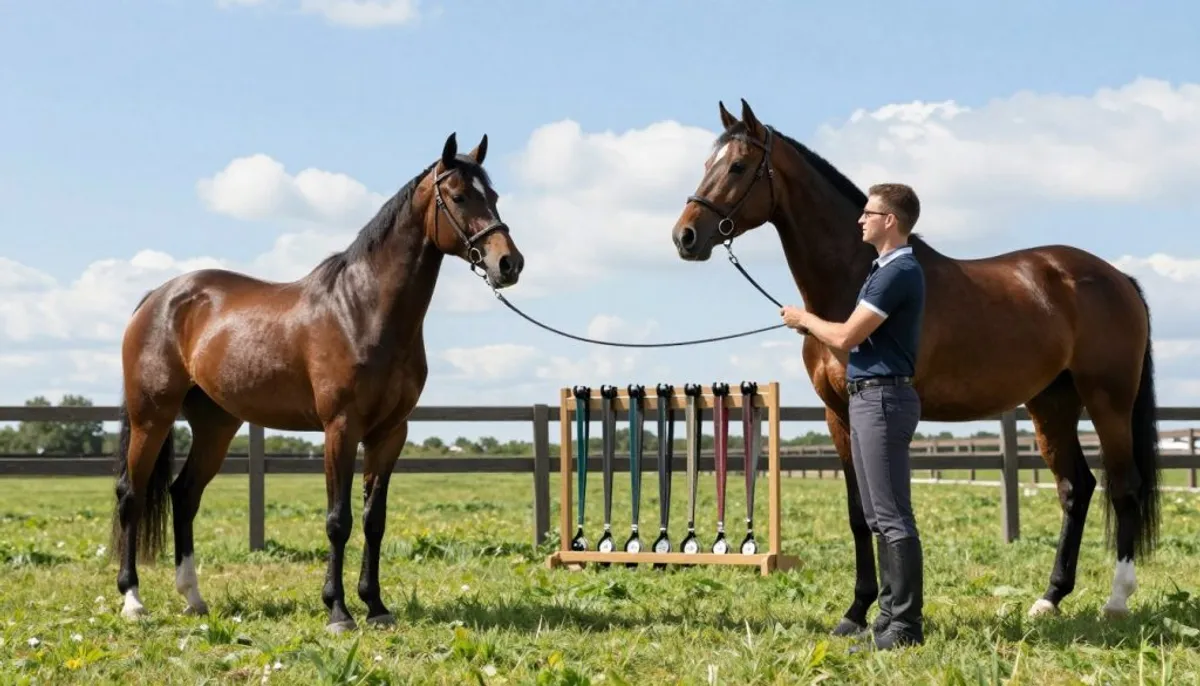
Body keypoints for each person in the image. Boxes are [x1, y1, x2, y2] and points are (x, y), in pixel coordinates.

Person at [780, 182, 926, 651]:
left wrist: (804, 319)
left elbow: (844, 337)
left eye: (869, 213)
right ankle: (886, 618)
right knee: (879, 515)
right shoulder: (881, 270)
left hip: (883, 399)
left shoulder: (897, 271)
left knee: (892, 515)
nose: (860, 219)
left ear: (890, 221)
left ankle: (904, 625)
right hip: (868, 398)